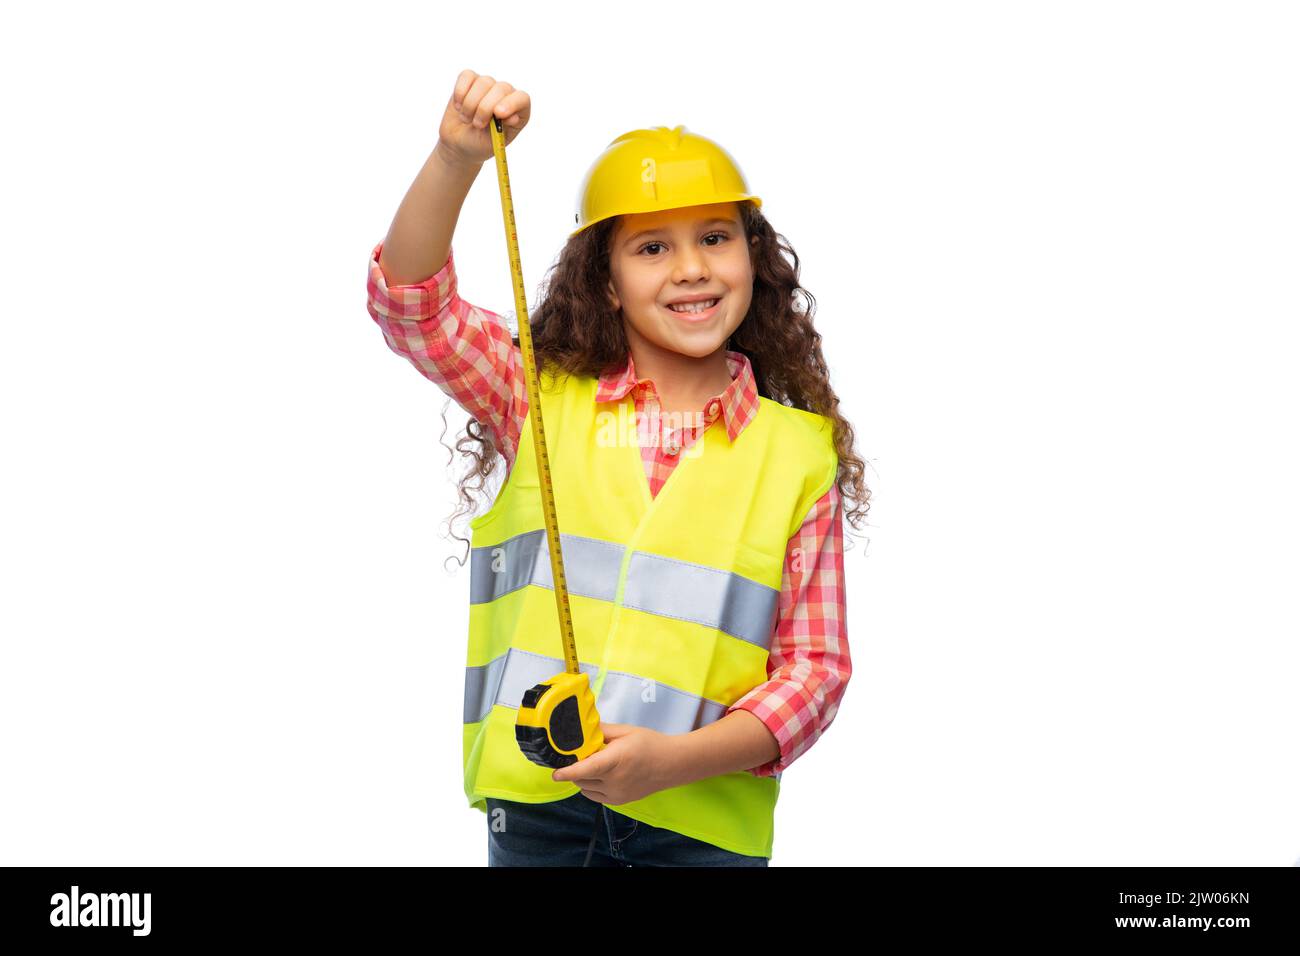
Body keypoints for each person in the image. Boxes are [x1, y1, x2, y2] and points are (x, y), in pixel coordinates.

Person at [366, 70, 871, 866]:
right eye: (651, 247)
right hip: (537, 816)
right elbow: (411, 306)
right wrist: (456, 157)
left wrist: (672, 763)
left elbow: (813, 672)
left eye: (714, 237)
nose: (691, 269)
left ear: (753, 256)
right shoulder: (535, 399)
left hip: (702, 831)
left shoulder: (799, 454)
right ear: (606, 280)